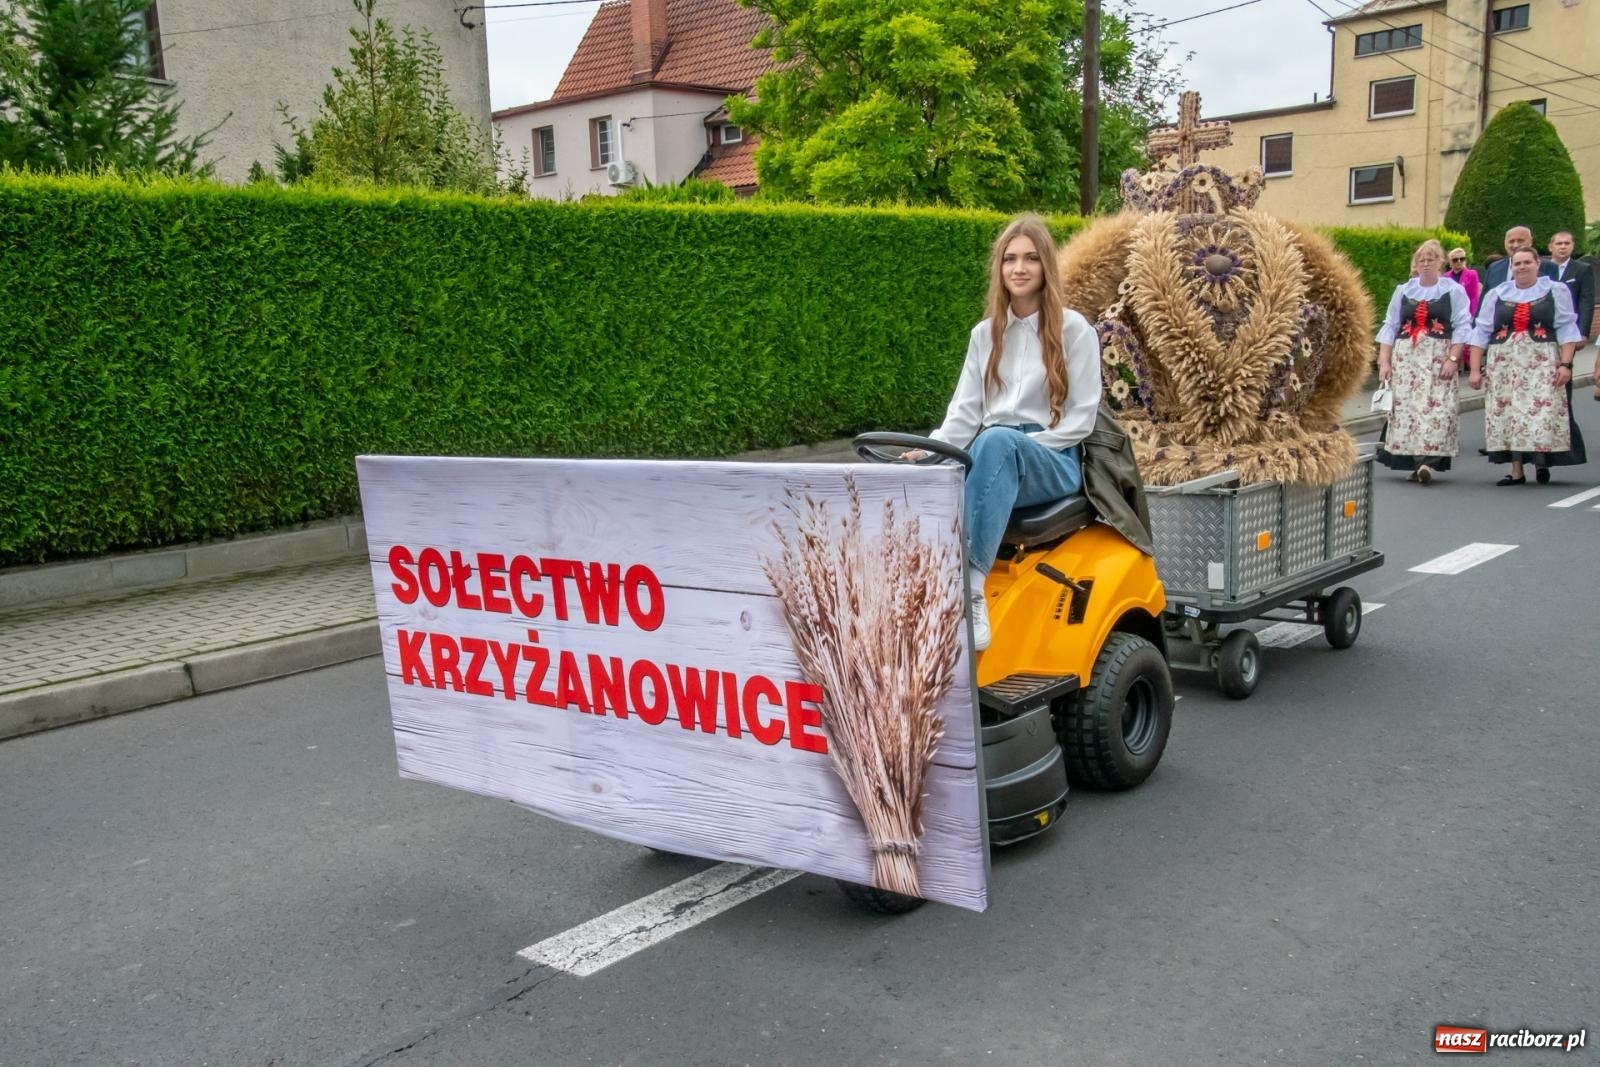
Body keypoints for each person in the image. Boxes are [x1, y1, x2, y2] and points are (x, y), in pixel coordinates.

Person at [908, 214, 1101, 651]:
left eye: (1031, 259)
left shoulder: (1074, 331)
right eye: (1010, 259)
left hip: (1053, 456)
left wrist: (1020, 448)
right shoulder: (985, 335)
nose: (1019, 268)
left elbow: (1080, 420)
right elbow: (964, 412)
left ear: (1046, 266)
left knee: (996, 441)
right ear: (999, 269)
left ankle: (970, 590)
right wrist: (931, 452)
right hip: (995, 453)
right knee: (936, 472)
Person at [1468, 247, 1585, 485]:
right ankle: (1517, 470)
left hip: (1541, 361)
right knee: (1509, 414)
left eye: (1526, 263)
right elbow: (1481, 331)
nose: (1521, 267)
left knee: (1540, 412)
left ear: (1537, 264)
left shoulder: (1554, 290)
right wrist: (1474, 368)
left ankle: (1542, 463)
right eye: (1517, 263)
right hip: (1503, 363)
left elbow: (1566, 328)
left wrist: (1566, 364)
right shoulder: (1498, 293)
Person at [1375, 240, 1472, 484]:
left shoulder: (1452, 291)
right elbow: (1391, 326)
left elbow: (1461, 325)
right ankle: (1415, 462)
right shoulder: (1404, 290)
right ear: (1415, 265)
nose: (1426, 264)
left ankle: (1428, 461)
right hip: (1407, 357)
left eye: (1431, 259)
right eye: (1421, 260)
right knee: (1408, 409)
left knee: (1438, 409)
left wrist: (1453, 358)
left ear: (1441, 262)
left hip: (1438, 356)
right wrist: (1384, 361)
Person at [1543, 230, 1595, 350]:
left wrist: (1583, 332)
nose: (1563, 247)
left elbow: (1586, 302)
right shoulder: (1540, 268)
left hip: (1569, 330)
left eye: (1567, 243)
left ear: (1572, 246)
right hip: (1543, 328)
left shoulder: (1582, 269)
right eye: (1559, 243)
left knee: (1565, 365)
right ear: (1550, 247)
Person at [1445, 247, 1482, 317]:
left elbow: (1474, 297)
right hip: (1450, 313)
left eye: (1462, 259)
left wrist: (1472, 315)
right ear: (1450, 262)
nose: (1459, 261)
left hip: (1466, 313)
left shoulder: (1472, 274)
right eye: (1455, 260)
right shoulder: (1446, 277)